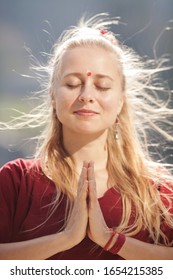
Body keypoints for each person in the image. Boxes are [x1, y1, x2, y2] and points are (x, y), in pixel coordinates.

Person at [0, 13, 173, 260]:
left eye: (102, 86)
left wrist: (110, 239)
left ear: (121, 101)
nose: (86, 95)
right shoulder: (17, 182)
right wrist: (65, 239)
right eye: (72, 84)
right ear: (52, 96)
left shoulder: (157, 189)